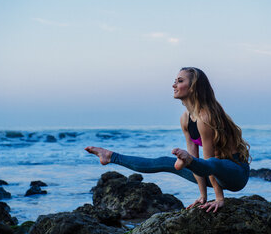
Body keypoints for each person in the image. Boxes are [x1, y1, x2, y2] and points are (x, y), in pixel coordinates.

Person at [85, 67, 251, 213]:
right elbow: (197, 160)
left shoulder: (205, 117)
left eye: (179, 81)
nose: (174, 85)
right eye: (175, 81)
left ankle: (185, 161)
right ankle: (111, 156)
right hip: (210, 171)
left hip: (235, 173)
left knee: (209, 161)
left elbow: (208, 163)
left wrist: (219, 199)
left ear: (193, 87)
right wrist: (203, 196)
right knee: (165, 161)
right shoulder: (185, 119)